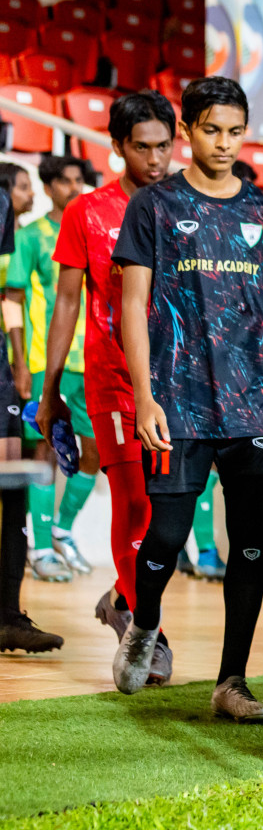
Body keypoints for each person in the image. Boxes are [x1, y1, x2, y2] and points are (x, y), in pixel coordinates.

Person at [109, 76, 263, 720]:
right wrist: (144, 395)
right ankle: (145, 623)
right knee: (165, 533)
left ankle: (233, 680)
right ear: (187, 132)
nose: (224, 143)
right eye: (212, 130)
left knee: (249, 538)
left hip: (250, 405)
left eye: (235, 131)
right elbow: (132, 305)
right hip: (177, 400)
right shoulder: (154, 208)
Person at [41, 94, 175, 679]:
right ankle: (152, 629)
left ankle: (123, 598)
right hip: (112, 378)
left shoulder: (188, 205)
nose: (154, 158)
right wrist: (49, 389)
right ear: (117, 147)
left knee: (168, 508)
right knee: (134, 499)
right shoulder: (87, 212)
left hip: (174, 378)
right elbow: (67, 300)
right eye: (141, 147)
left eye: (164, 145)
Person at [6, 155, 99, 583]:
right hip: (50, 363)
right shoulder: (31, 238)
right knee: (44, 453)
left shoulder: (93, 231)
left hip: (95, 362)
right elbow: (14, 299)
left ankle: (62, 529)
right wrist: (22, 365)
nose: (75, 188)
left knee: (95, 454)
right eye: (67, 181)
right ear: (49, 186)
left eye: (81, 180)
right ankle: (40, 547)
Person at [0, 162, 59, 654]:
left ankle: (8, 615)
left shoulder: (15, 229)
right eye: (20, 185)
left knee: (14, 486)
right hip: (16, 366)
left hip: (10, 372)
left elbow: (10, 302)